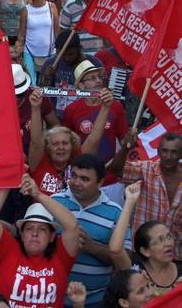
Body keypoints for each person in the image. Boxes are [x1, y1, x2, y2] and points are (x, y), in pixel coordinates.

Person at [0, 174, 80, 307]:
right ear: (21, 234)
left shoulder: (61, 257)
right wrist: (9, 177)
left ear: (51, 236)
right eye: (29, 228)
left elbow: (72, 226)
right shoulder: (8, 251)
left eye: (43, 229)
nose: (35, 233)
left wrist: (38, 194)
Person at [52, 154, 127, 305]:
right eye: (73, 176)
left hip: (97, 300)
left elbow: (125, 261)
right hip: (54, 297)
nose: (76, 183)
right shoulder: (54, 203)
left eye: (84, 179)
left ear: (100, 182)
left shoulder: (115, 212)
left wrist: (92, 247)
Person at [109, 131, 182, 261]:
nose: (168, 156)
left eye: (174, 152)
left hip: (175, 253)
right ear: (158, 151)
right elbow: (116, 169)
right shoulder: (146, 169)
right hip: (144, 250)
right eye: (164, 151)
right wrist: (126, 148)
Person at [108, 183, 180, 298]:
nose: (168, 243)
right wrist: (130, 202)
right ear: (145, 251)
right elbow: (115, 250)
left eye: (169, 237)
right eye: (159, 240)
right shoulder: (136, 272)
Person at [61, 61, 128, 163]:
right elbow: (68, 145)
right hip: (83, 170)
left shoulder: (115, 106)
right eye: (92, 78)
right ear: (81, 86)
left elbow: (124, 139)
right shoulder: (71, 110)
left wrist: (130, 139)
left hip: (110, 172)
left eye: (99, 77)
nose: (98, 81)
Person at [18, 0, 58, 72]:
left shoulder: (52, 6)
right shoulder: (25, 10)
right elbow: (21, 33)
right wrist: (19, 47)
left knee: (48, 81)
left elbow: (56, 30)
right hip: (29, 51)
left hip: (50, 51)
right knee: (33, 82)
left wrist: (59, 48)